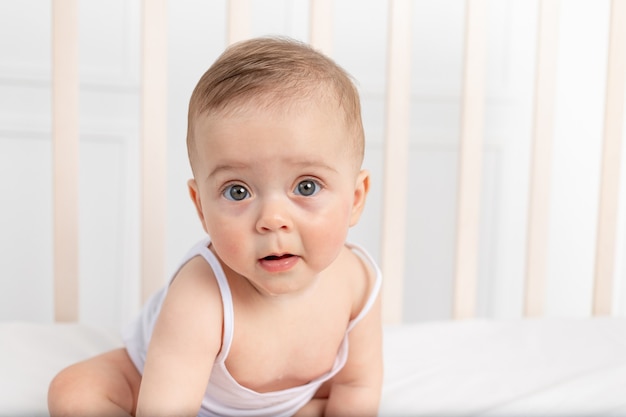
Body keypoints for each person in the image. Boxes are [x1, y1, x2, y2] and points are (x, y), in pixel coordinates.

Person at [48, 36, 383, 417]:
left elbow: (358, 384)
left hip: (289, 400)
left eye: (306, 186)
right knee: (74, 391)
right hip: (162, 385)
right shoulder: (201, 295)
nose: (273, 219)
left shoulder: (358, 283)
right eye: (237, 191)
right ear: (201, 208)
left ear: (355, 198)